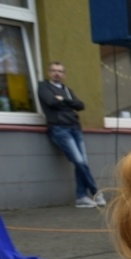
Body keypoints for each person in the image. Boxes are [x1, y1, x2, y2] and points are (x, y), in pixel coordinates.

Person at [37, 61, 105, 208]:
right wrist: (68, 103)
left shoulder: (67, 90)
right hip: (59, 128)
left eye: (60, 71)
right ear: (49, 73)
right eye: (54, 70)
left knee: (82, 163)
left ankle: (81, 197)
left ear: (64, 75)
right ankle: (96, 192)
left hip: (75, 127)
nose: (57, 73)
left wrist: (64, 100)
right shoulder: (44, 87)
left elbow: (80, 105)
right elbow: (51, 102)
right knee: (79, 161)